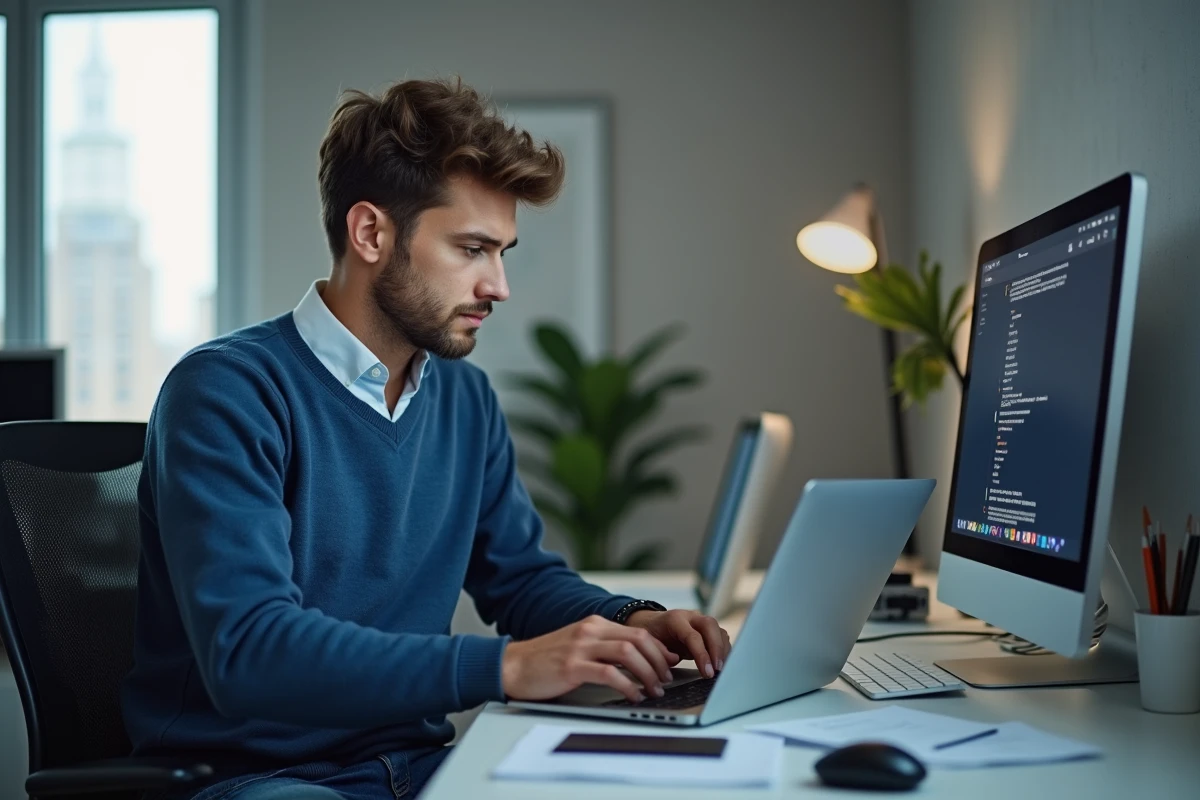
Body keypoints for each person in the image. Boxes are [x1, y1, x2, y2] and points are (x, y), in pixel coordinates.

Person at [121, 77, 731, 800]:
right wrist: (502, 667)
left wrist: (636, 622)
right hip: (254, 778)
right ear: (372, 233)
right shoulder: (228, 392)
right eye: (473, 249)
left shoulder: (463, 399)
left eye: (502, 252)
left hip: (418, 768)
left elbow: (523, 582)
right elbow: (250, 651)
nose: (498, 286)